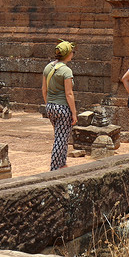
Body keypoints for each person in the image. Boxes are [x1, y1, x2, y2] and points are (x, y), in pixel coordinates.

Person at [42, 40, 77, 170]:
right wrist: (74, 113)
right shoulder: (66, 71)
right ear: (68, 54)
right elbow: (69, 94)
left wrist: (48, 105)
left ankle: (62, 163)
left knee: (61, 136)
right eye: (72, 52)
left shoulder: (48, 67)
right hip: (62, 108)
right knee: (60, 140)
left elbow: (44, 90)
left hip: (51, 106)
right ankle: (55, 168)